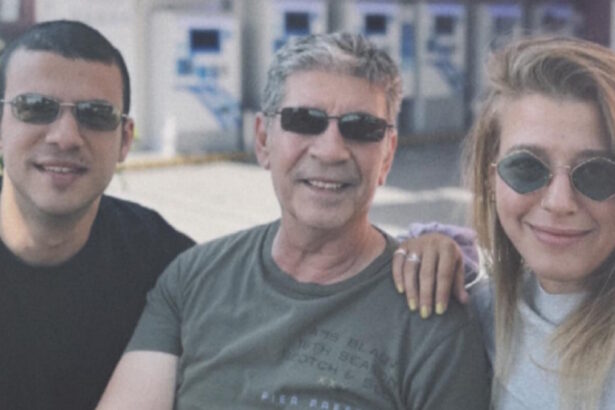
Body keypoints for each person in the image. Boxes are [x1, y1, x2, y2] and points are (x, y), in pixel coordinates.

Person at [97, 32, 490, 409]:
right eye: (304, 120)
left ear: (387, 155)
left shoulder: (431, 316)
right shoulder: (192, 280)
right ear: (263, 140)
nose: (331, 150)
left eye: (361, 128)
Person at [394, 36, 615, 409]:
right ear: (489, 178)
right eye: (526, 167)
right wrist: (418, 257)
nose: (559, 202)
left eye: (598, 173)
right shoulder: (474, 317)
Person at [0, 20, 194, 409]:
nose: (65, 137)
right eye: (35, 107)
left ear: (125, 139)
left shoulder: (169, 270)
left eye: (96, 114)